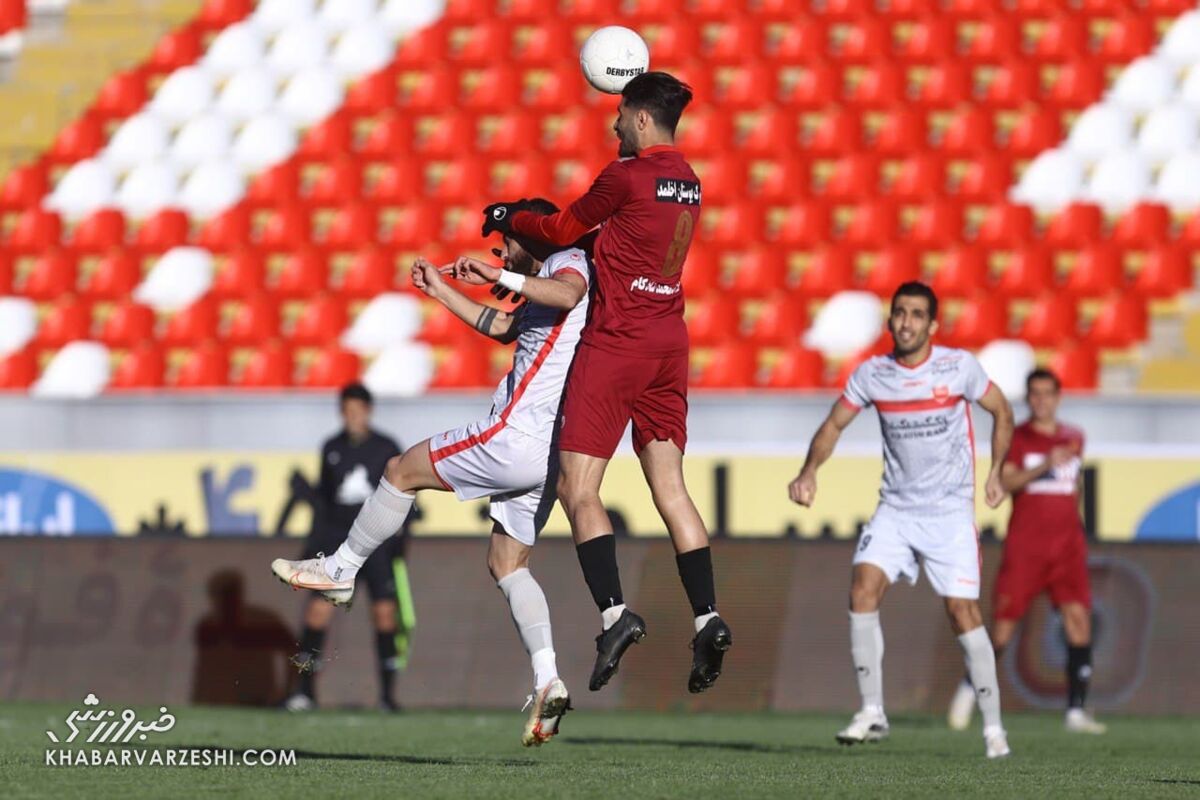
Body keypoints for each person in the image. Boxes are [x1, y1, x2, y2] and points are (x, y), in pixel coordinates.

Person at [271, 199, 590, 746]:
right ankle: (548, 678)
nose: (501, 251)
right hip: (547, 448)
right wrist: (442, 291)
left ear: (528, 235)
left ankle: (342, 568)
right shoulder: (547, 281)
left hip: (515, 435)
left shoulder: (569, 264)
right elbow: (506, 325)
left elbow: (566, 291)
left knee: (399, 469)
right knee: (508, 563)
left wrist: (499, 272)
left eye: (505, 241)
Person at [478, 71, 732, 696]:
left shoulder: (625, 175)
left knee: (576, 486)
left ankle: (615, 615)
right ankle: (708, 616)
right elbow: (615, 236)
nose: (615, 125)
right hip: (671, 343)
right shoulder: (690, 182)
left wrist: (513, 216)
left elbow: (564, 230)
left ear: (643, 118)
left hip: (618, 343)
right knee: (670, 487)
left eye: (621, 115)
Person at [788, 281, 1016, 759]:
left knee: (963, 613)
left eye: (916, 315)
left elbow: (1001, 410)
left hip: (949, 512)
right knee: (862, 588)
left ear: (933, 325)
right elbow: (833, 424)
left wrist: (997, 471)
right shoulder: (873, 375)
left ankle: (994, 729)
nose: (906, 322)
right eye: (899, 314)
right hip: (896, 508)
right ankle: (873, 711)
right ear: (890, 321)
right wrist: (809, 472)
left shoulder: (959, 368)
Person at [947, 368, 1106, 735]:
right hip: (1027, 547)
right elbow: (1007, 481)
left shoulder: (1074, 437)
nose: (1041, 400)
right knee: (1002, 630)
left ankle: (1076, 711)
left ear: (1058, 397)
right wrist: (1047, 465)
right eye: (1034, 393)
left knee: (1078, 623)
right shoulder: (1018, 438)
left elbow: (1075, 487)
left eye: (1047, 393)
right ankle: (969, 689)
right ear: (1028, 398)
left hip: (1066, 547)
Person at [283, 383, 403, 712]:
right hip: (338, 544)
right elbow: (324, 502)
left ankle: (387, 697)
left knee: (384, 614)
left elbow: (402, 496)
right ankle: (304, 692)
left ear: (368, 411)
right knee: (317, 612)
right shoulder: (331, 447)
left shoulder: (387, 447)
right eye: (347, 411)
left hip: (375, 544)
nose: (352, 417)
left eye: (358, 411)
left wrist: (398, 542)